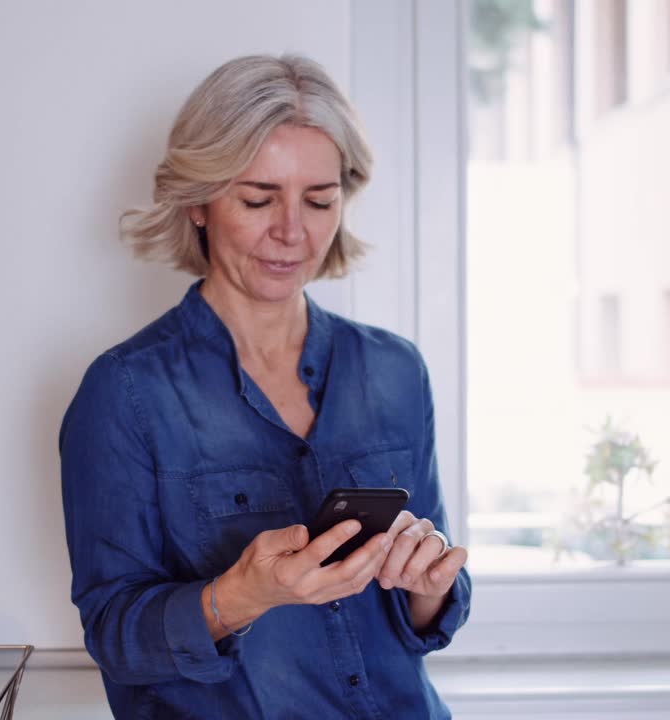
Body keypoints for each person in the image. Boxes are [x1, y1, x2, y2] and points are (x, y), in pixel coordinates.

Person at [59, 54, 472, 719]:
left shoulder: (395, 372)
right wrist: (242, 593)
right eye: (258, 199)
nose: (292, 231)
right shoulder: (125, 395)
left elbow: (427, 608)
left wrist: (427, 583)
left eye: (319, 200)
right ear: (198, 201)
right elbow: (115, 635)